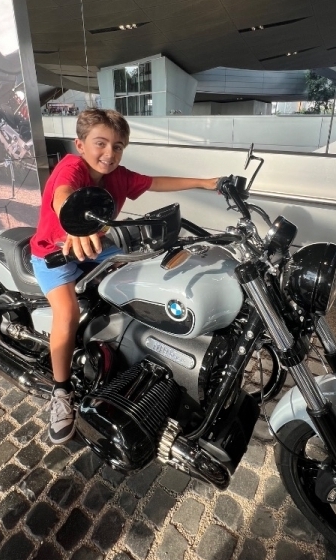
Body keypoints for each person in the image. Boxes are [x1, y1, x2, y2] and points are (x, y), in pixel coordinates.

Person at [30, 108, 218, 443]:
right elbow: (63, 195)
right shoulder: (71, 167)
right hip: (54, 252)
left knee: (143, 271)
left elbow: (156, 182)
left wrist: (206, 183)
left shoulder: (118, 176)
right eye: (100, 143)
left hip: (97, 248)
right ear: (80, 144)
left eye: (118, 146)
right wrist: (76, 223)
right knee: (67, 313)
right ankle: (60, 392)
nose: (110, 153)